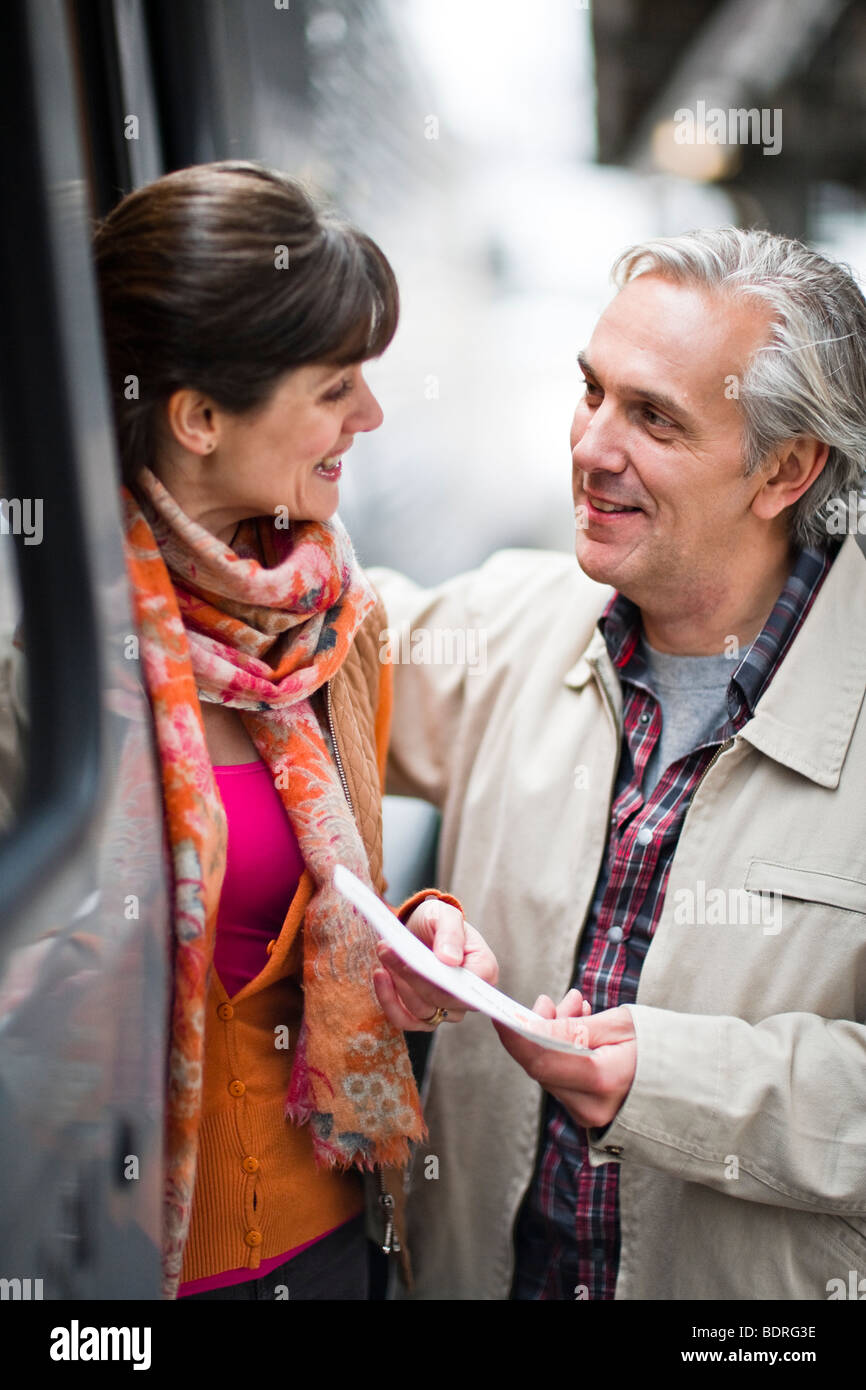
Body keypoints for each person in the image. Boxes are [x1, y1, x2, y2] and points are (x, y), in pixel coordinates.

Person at [372, 226, 866, 1300]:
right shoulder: (511, 625)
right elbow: (271, 670)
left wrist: (670, 1079)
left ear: (783, 469)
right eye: (590, 391)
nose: (590, 447)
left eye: (652, 417)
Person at [92, 160, 496, 1300]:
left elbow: (316, 895)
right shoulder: (63, 677)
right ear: (200, 418)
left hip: (334, 1246)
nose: (369, 417)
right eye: (334, 389)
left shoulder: (327, 625)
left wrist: (411, 933)